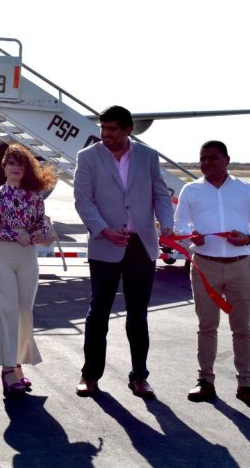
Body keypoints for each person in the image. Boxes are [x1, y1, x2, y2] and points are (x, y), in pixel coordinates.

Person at [73, 105, 174, 399]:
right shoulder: (87, 157)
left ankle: (139, 376)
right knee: (98, 314)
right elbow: (83, 200)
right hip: (105, 244)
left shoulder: (148, 156)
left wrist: (166, 223)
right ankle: (90, 375)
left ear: (128, 130)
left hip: (141, 246)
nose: (105, 134)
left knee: (138, 315)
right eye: (103, 129)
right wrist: (104, 229)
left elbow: (160, 194)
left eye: (112, 129)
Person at [174, 140, 250, 410]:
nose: (207, 163)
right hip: (205, 265)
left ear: (227, 160)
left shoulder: (247, 189)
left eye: (213, 158)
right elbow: (179, 223)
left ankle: (246, 384)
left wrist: (249, 238)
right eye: (203, 159)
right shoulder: (191, 190)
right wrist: (191, 236)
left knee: (242, 327)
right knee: (207, 326)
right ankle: (205, 380)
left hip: (240, 266)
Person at [0, 144, 58, 398]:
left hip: (27, 258)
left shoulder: (35, 197)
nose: (16, 168)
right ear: (4, 167)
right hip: (1, 257)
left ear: (27, 169)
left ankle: (17, 365)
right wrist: (17, 235)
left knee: (24, 310)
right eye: (12, 163)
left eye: (21, 164)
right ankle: (7, 369)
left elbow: (40, 226)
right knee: (9, 309)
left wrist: (40, 233)